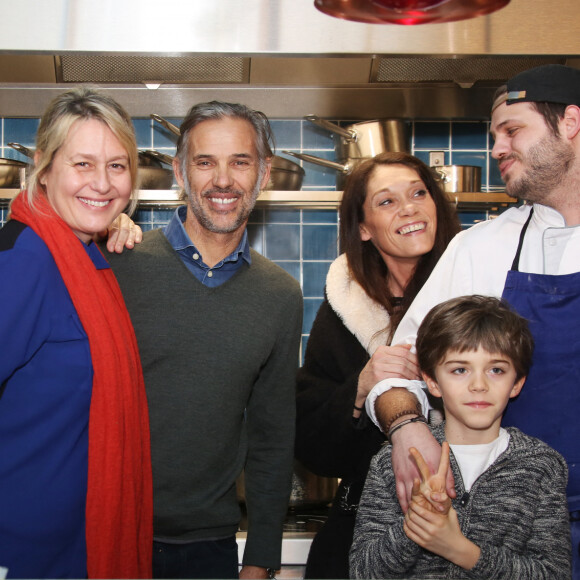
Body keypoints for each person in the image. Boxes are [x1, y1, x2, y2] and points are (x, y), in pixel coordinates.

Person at [365, 63, 580, 577]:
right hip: (508, 529)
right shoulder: (480, 248)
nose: (497, 148)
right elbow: (395, 372)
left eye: (512, 130)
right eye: (494, 136)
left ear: (570, 122)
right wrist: (407, 427)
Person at [104, 101, 303, 579]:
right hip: (110, 532)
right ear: (179, 171)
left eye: (240, 161)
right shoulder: (117, 264)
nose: (223, 180)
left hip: (209, 547)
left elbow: (272, 438)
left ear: (264, 173)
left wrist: (260, 558)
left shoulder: (279, 295)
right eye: (205, 161)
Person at [0, 87, 153, 579]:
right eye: (82, 164)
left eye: (116, 166)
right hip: (23, 554)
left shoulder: (82, 259)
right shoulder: (24, 263)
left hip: (73, 548)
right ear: (44, 167)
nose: (102, 183)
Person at [294, 151, 461, 578]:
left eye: (419, 193)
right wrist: (362, 385)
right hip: (360, 527)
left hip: (463, 522)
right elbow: (312, 443)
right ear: (364, 228)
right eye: (387, 201)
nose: (409, 208)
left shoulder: (478, 290)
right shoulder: (345, 307)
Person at [351, 295, 572, 579]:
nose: (478, 385)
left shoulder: (542, 466)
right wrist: (417, 521)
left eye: (496, 370)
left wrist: (460, 550)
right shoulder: (392, 462)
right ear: (432, 381)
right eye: (459, 370)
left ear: (516, 383)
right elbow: (363, 572)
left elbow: (554, 573)